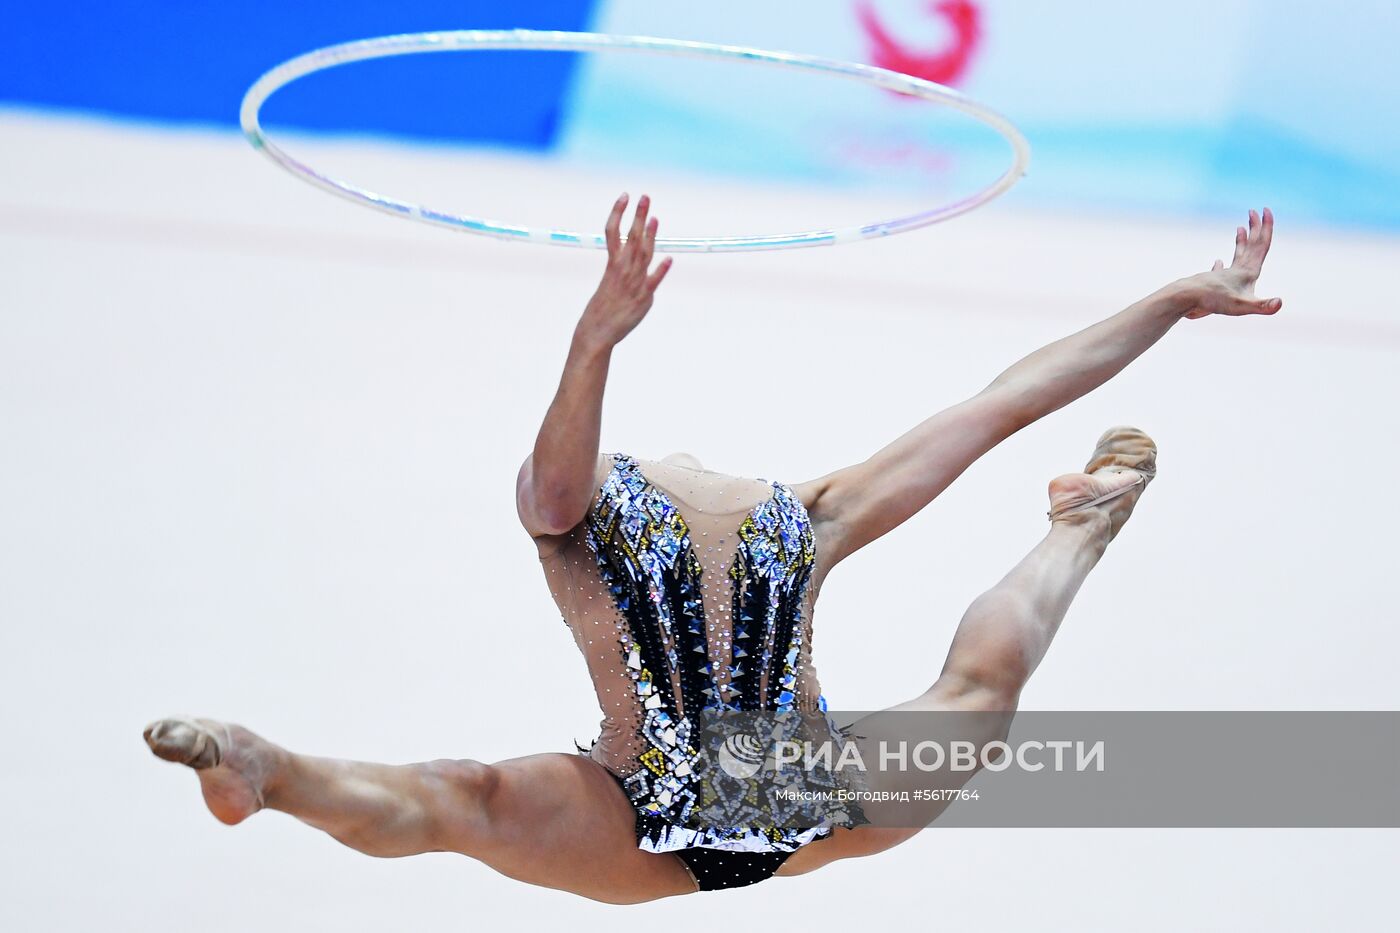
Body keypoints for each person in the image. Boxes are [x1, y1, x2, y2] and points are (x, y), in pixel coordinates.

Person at [145, 195, 1279, 902]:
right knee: (465, 798)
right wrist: (595, 339)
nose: (699, 466)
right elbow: (550, 478)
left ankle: (1080, 525)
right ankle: (268, 770)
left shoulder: (806, 514)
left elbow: (1005, 401)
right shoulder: (585, 514)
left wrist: (1173, 300)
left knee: (981, 691)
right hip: (630, 812)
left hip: (801, 787)